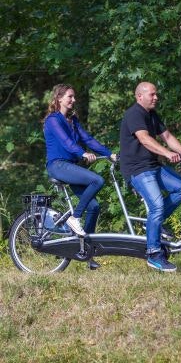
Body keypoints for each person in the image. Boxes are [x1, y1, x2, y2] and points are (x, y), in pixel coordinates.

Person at [119, 81, 181, 272]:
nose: (156, 97)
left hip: (153, 166)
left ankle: (153, 224)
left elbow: (167, 137)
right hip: (137, 170)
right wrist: (168, 154)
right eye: (152, 94)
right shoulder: (134, 114)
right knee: (157, 205)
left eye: (156, 94)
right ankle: (153, 254)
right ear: (139, 96)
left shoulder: (152, 115)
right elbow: (144, 139)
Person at [43, 84, 117, 269]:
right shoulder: (53, 120)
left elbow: (88, 139)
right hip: (58, 165)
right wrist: (82, 153)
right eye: (70, 96)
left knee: (94, 206)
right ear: (59, 98)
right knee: (97, 180)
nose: (73, 100)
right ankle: (74, 218)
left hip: (69, 166)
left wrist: (109, 153)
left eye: (74, 97)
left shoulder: (72, 120)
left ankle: (87, 254)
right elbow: (66, 143)